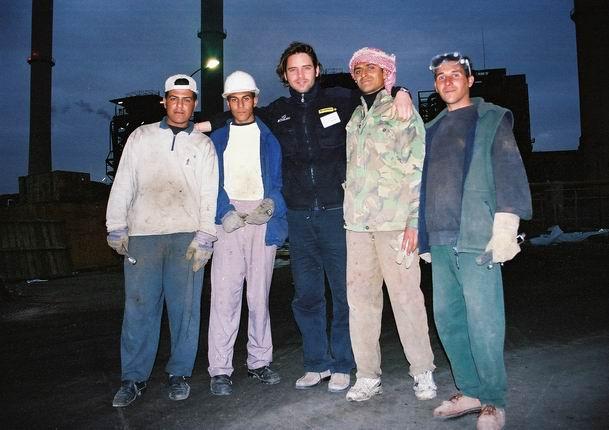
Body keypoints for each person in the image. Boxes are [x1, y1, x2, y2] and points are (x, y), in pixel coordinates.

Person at [197, 41, 413, 393]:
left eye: (306, 67)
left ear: (317, 70)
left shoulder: (341, 100)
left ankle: (343, 363)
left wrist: (399, 91)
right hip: (298, 217)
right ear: (284, 75)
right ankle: (317, 363)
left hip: (335, 214)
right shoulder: (276, 111)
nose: (300, 74)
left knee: (343, 293)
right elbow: (238, 114)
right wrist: (200, 125)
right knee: (308, 295)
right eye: (292, 69)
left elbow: (372, 91)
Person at [419, 52, 532, 430]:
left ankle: (494, 400)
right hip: (440, 237)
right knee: (448, 319)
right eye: (440, 77)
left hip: (477, 236)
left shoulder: (491, 119)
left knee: (484, 321)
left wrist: (506, 223)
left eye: (455, 74)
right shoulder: (431, 127)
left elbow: (509, 167)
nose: (447, 81)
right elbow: (422, 187)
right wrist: (422, 236)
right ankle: (468, 391)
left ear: (469, 80)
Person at [106, 74, 218, 407]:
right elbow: (124, 180)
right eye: (174, 98)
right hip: (143, 235)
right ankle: (133, 378)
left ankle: (179, 373)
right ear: (164, 101)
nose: (180, 105)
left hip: (186, 236)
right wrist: (116, 224)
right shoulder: (141, 137)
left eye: (187, 99)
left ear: (194, 104)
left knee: (185, 311)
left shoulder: (203, 145)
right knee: (139, 308)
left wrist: (206, 236)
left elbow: (209, 193)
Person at [342, 47, 437, 403]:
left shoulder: (402, 111)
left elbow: (417, 169)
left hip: (396, 223)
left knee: (407, 298)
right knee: (361, 302)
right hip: (358, 226)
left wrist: (415, 222)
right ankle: (367, 375)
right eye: (359, 70)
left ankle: (423, 372)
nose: (364, 73)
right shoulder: (354, 117)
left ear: (386, 74)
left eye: (372, 68)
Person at [207, 70, 288, 396]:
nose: (241, 104)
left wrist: (272, 203)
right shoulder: (217, 139)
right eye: (234, 99)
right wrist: (223, 212)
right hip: (229, 219)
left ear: (255, 99)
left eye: (246, 98)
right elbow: (209, 182)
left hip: (260, 218)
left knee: (258, 295)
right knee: (225, 298)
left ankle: (259, 361)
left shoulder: (270, 137)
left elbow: (280, 180)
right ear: (228, 103)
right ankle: (220, 370)